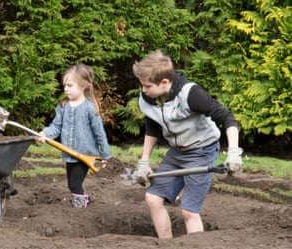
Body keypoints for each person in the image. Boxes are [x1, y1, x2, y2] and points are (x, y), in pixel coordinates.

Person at [132, 49, 243, 238]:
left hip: (202, 151)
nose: (143, 90)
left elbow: (227, 118)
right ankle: (167, 248)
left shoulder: (191, 94)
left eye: (148, 86)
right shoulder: (149, 98)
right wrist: (144, 161)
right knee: (152, 198)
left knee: (189, 210)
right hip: (177, 152)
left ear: (164, 82)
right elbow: (152, 128)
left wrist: (233, 152)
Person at [38, 64, 111, 208]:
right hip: (69, 154)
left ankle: (78, 210)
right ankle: (85, 200)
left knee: (74, 184)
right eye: (64, 85)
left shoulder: (89, 107)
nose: (65, 89)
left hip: (85, 155)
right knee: (72, 185)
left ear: (83, 85)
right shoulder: (63, 106)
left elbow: (99, 133)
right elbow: (56, 126)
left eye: (70, 85)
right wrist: (45, 134)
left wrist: (105, 155)